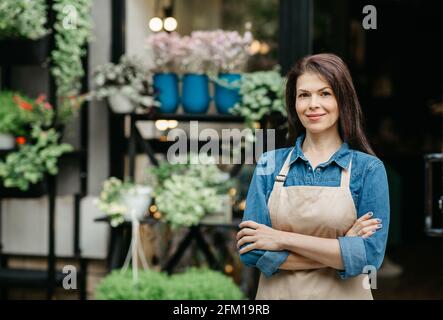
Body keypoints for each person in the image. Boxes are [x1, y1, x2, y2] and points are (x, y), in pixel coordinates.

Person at [237, 53, 390, 300]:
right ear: (294, 103)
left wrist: (280, 239)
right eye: (304, 95)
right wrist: (341, 250)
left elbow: (369, 257)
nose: (313, 104)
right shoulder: (270, 164)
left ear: (343, 99)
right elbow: (251, 252)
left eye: (325, 93)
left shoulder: (368, 170)